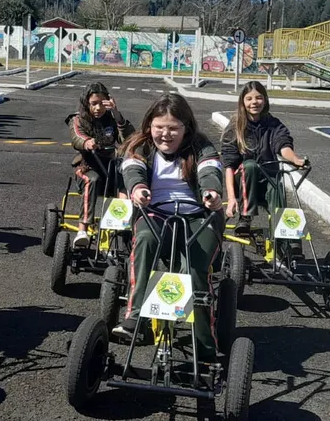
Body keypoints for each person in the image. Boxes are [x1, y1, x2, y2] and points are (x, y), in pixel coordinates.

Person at [114, 93, 224, 363]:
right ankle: (135, 316)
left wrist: (211, 192)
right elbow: (132, 170)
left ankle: (204, 346)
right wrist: (138, 188)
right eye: (159, 127)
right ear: (149, 125)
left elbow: (210, 170)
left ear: (186, 127)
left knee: (196, 273)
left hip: (200, 216)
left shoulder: (201, 146)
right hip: (156, 212)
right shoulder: (139, 146)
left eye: (173, 128)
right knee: (145, 240)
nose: (165, 134)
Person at [220, 81, 306, 233]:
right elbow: (229, 165)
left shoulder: (273, 124)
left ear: (265, 100)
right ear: (243, 102)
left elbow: (283, 145)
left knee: (277, 185)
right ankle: (245, 216)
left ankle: (284, 236)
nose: (254, 102)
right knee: (251, 165)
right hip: (243, 183)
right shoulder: (235, 127)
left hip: (267, 181)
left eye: (259, 98)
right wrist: (232, 198)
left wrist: (295, 160)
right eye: (249, 99)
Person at [68, 82, 134, 248]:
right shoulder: (78, 120)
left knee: (125, 178)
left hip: (110, 168)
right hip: (88, 167)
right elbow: (76, 137)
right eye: (94, 104)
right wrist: (87, 142)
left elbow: (129, 138)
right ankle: (82, 229)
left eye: (101, 103)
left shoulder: (111, 120)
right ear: (86, 103)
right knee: (93, 180)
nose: (98, 108)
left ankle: (120, 223)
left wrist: (116, 113)